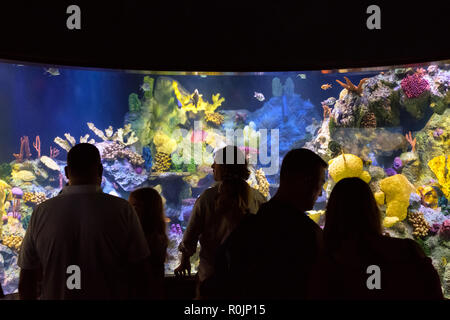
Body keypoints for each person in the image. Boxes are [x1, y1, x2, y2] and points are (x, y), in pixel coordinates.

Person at [18, 143, 152, 300]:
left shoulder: (41, 212)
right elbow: (141, 272)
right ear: (100, 170)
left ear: (67, 172)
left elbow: (27, 276)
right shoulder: (123, 210)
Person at [215, 148, 328, 299]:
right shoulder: (309, 234)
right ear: (305, 181)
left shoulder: (248, 227)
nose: (320, 193)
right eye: (320, 183)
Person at [314, 177, 443, 300]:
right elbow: (433, 291)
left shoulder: (322, 261)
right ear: (373, 210)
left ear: (331, 213)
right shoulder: (408, 250)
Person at [174, 145, 266, 299]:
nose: (212, 166)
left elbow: (190, 235)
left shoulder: (207, 198)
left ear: (224, 167)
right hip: (245, 281)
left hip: (210, 278)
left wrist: (185, 261)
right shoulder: (258, 198)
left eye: (215, 162)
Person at [129, 187, 169, 299]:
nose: (131, 209)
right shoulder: (157, 235)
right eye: (130, 205)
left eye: (135, 205)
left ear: (148, 209)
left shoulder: (153, 238)